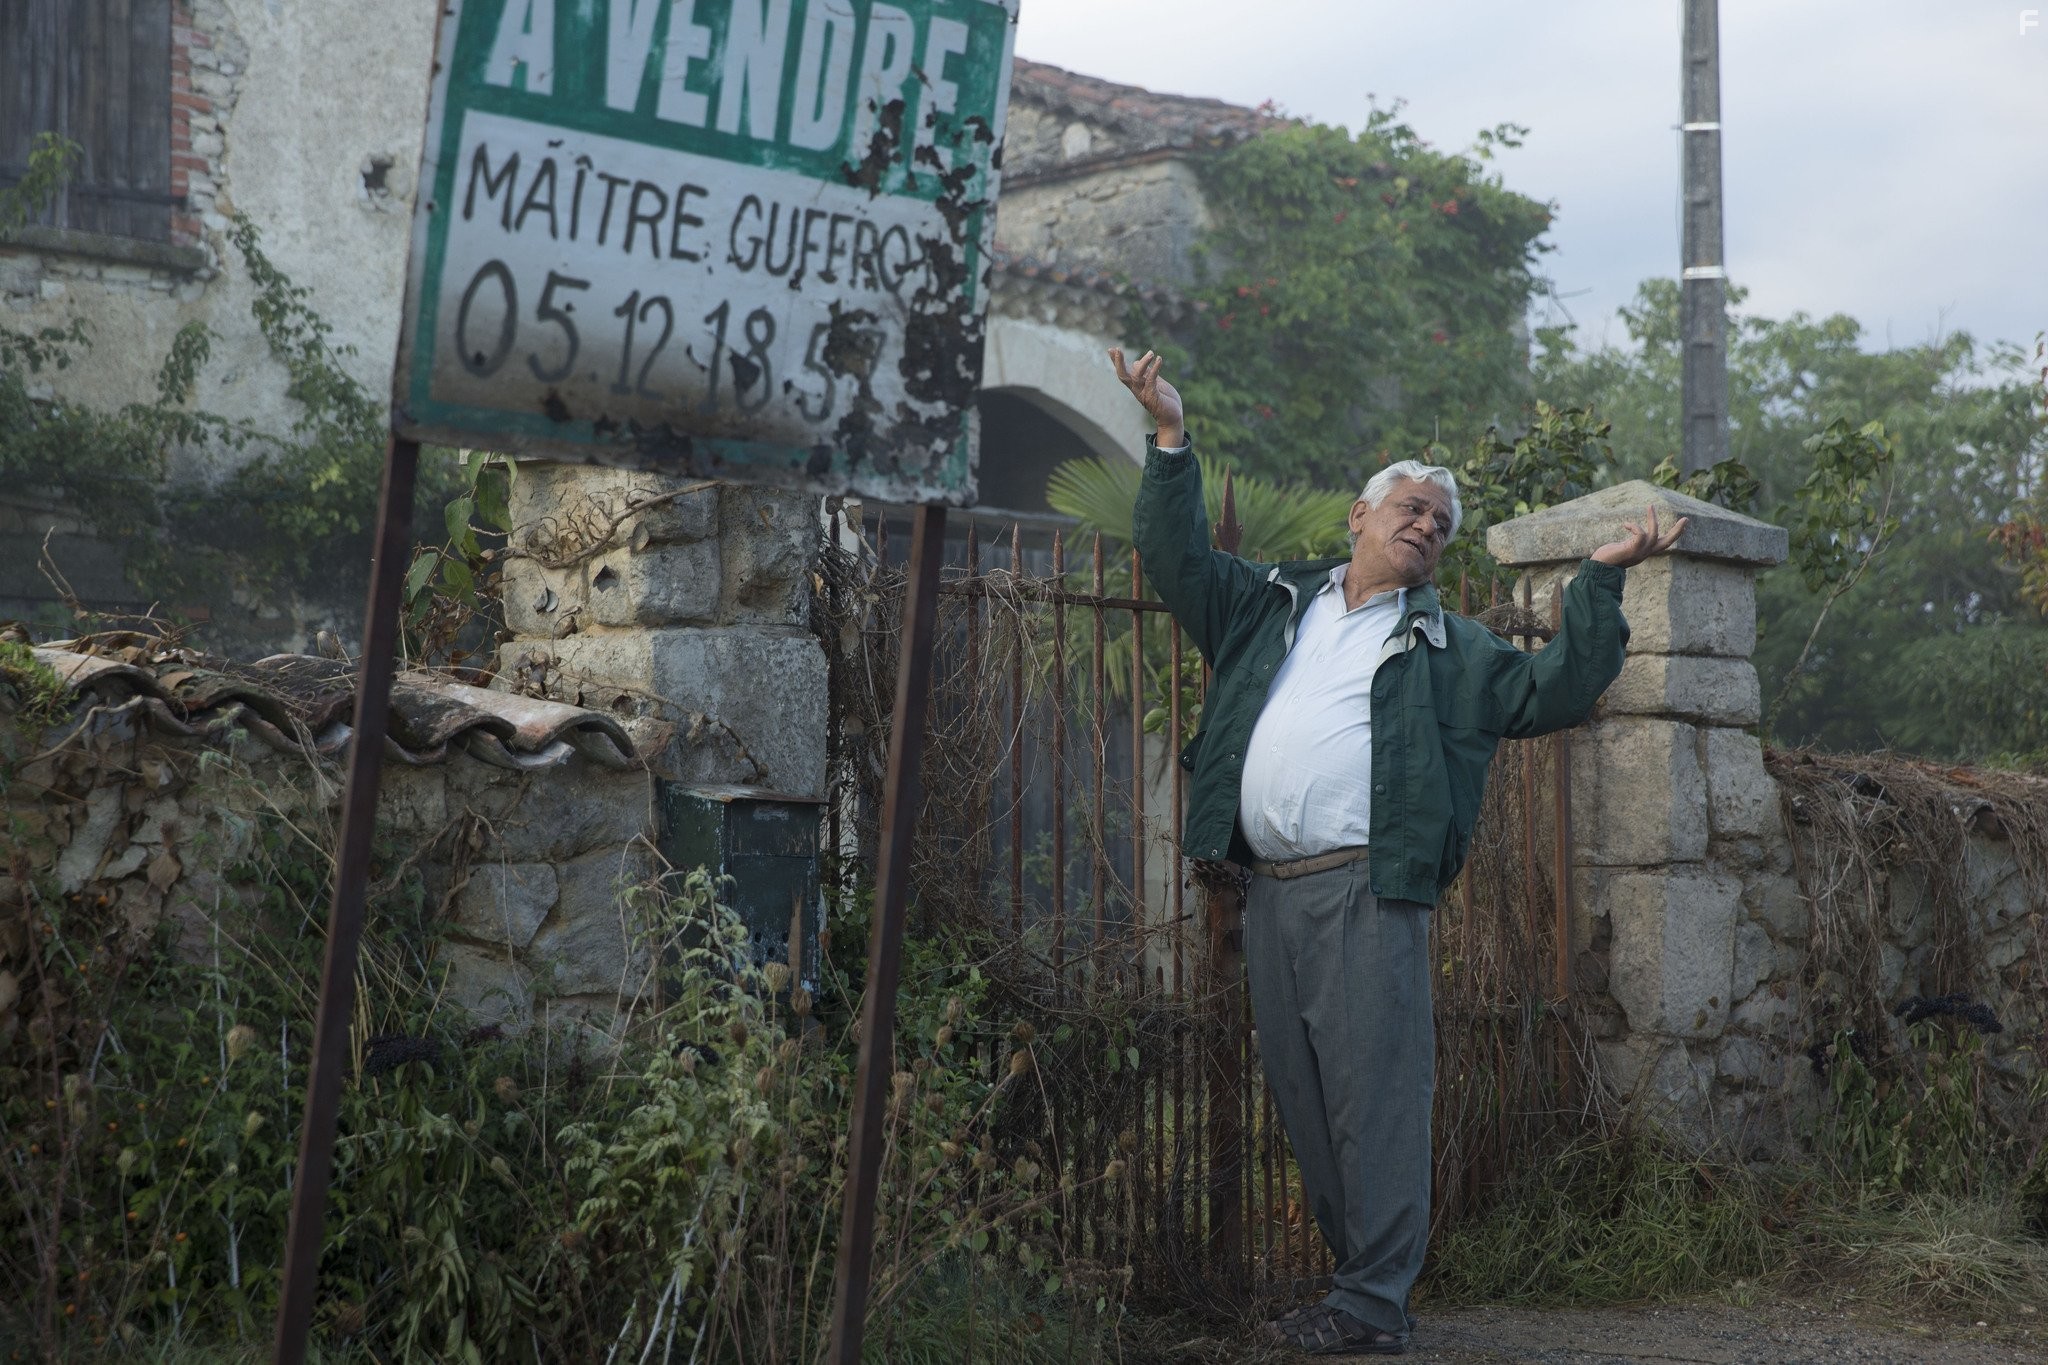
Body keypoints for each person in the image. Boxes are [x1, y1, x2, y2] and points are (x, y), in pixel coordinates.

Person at [1111, 348, 1685, 1356]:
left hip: (1369, 892)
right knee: (1303, 1098)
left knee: (1374, 1099)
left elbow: (1553, 690)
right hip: (1270, 890)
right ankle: (1357, 1292)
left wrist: (1597, 584)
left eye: (1440, 522)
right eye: (1410, 508)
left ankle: (1373, 1302)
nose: (1425, 525)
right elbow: (1175, 557)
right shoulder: (1268, 604)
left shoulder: (1450, 647)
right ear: (1359, 517)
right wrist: (1169, 436)